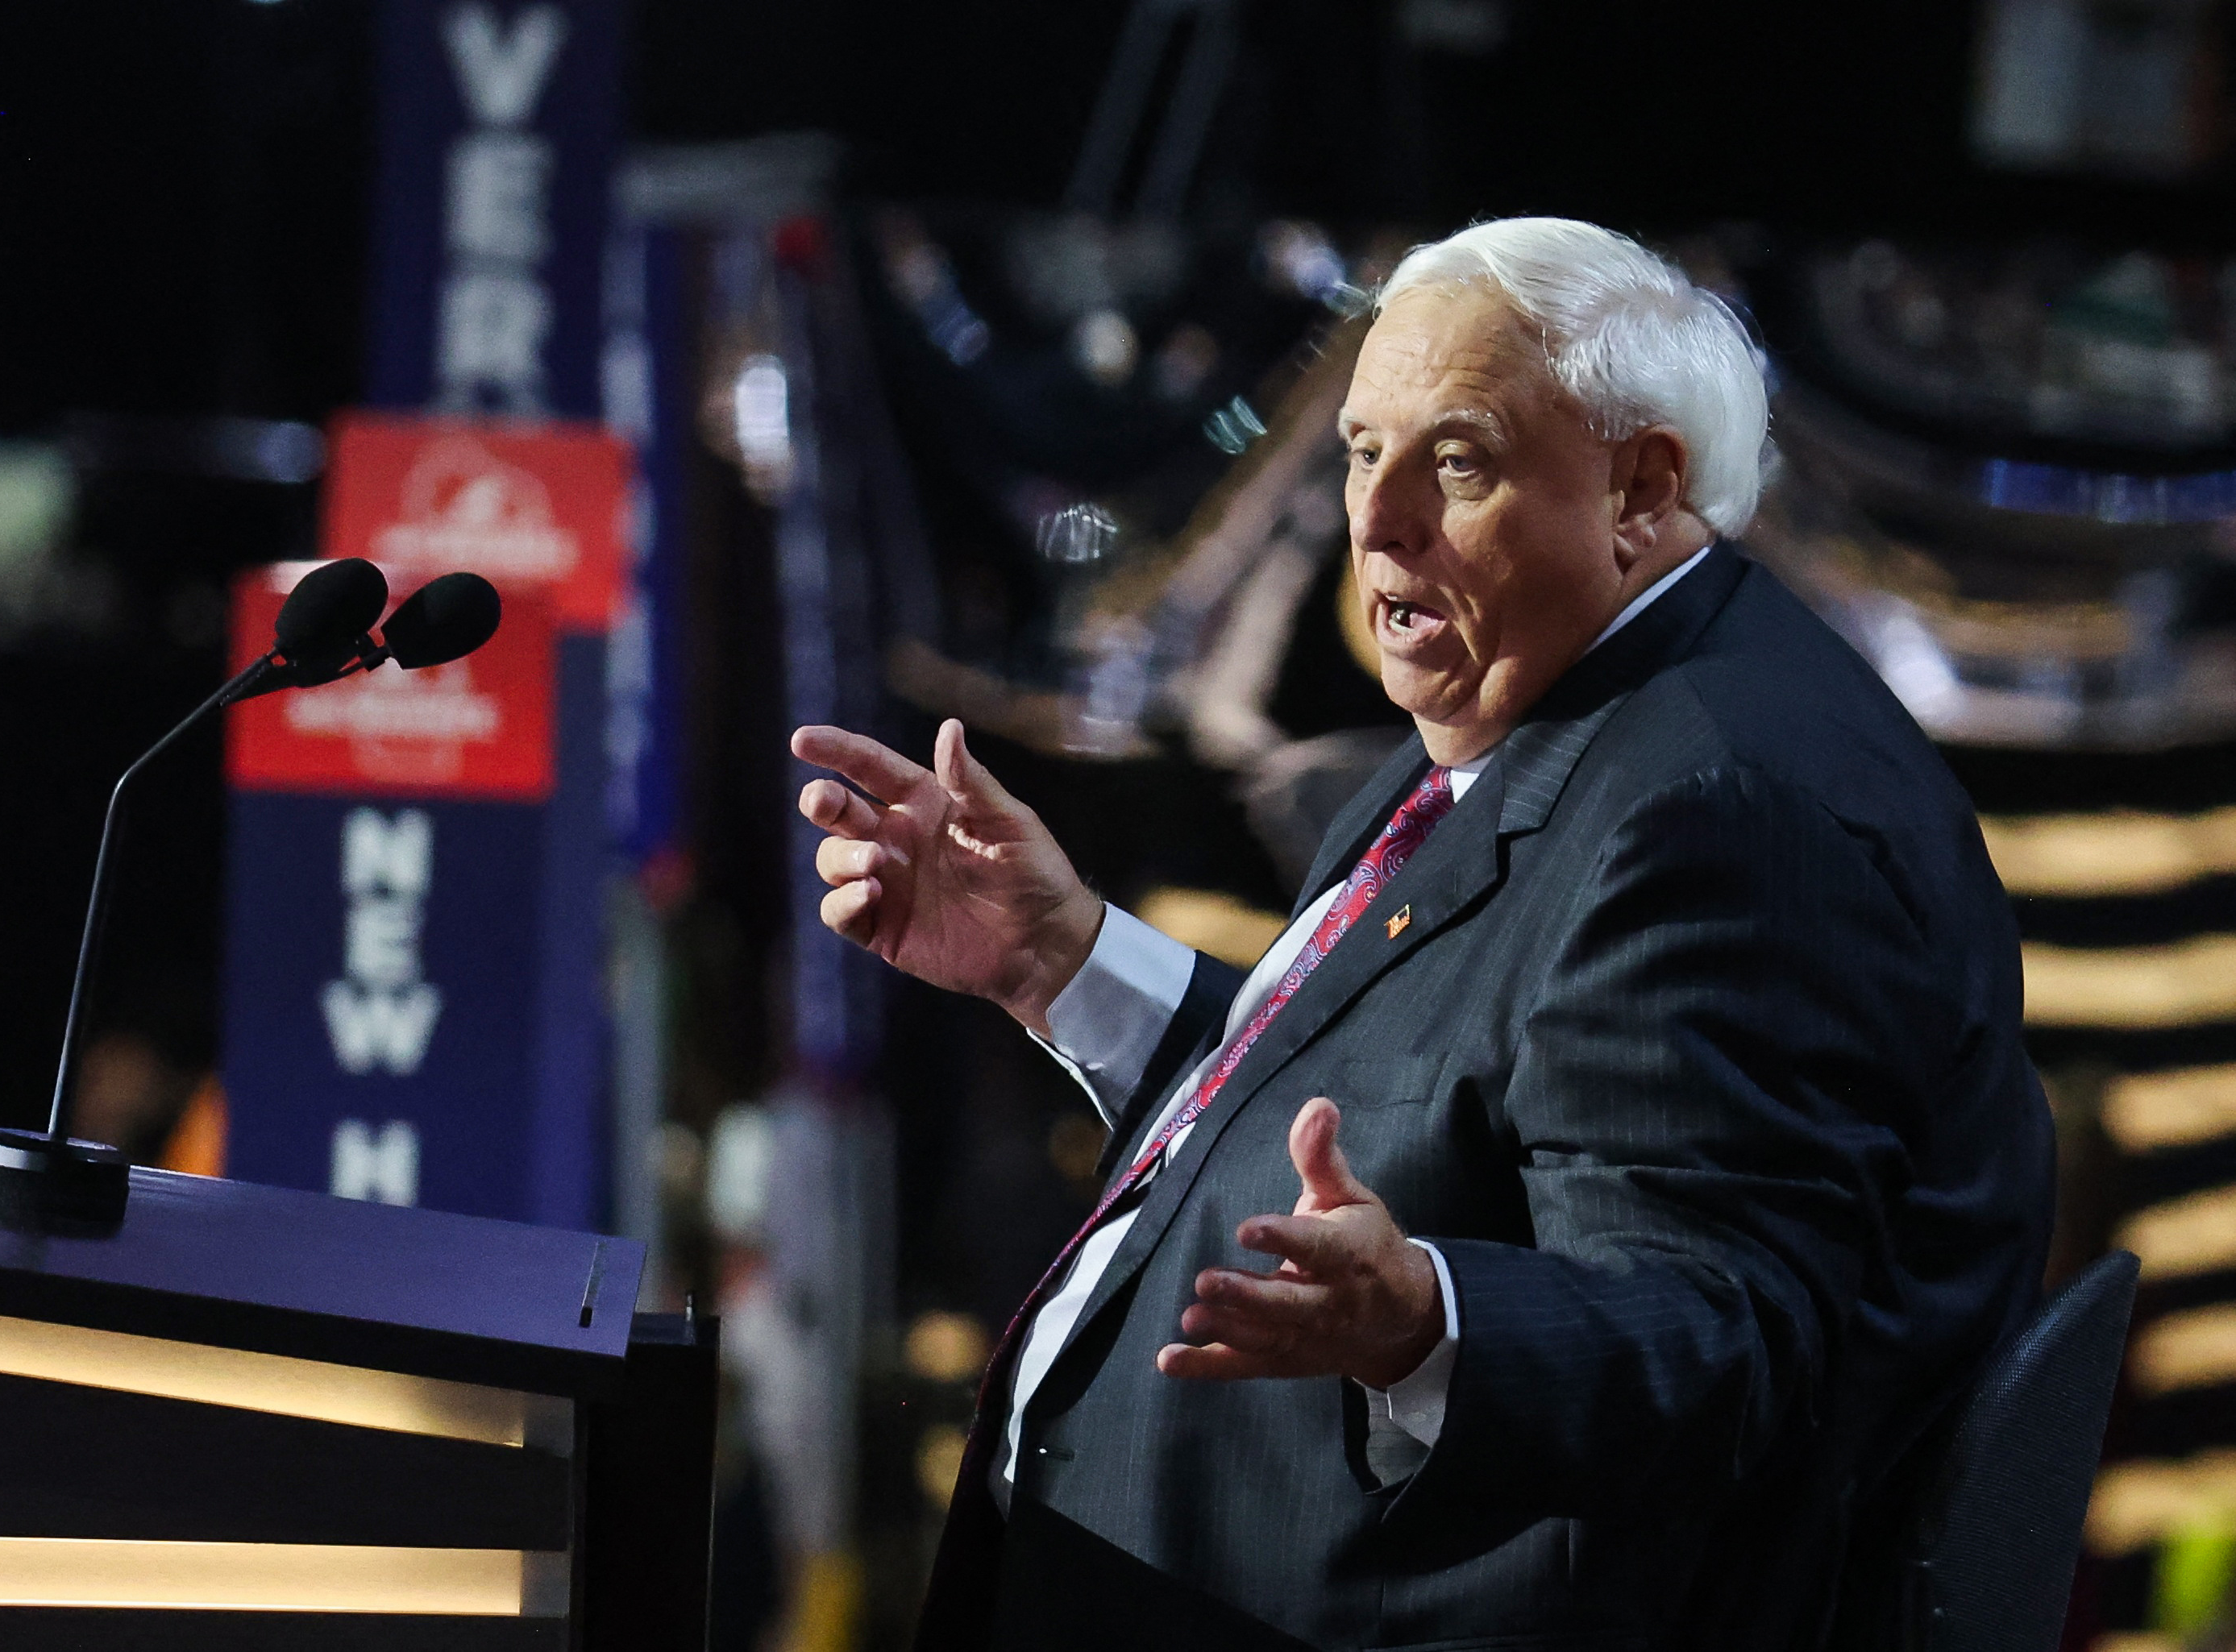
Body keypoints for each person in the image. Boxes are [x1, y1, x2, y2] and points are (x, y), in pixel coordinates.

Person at [792, 218, 2053, 1652]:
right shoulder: (1536, 706)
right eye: (1355, 449)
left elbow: (1731, 1342)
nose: (1375, 520)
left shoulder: (1721, 806)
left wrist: (1428, 1320)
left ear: (1642, 487)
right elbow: (1405, 1096)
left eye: (1453, 462)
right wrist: (1062, 959)